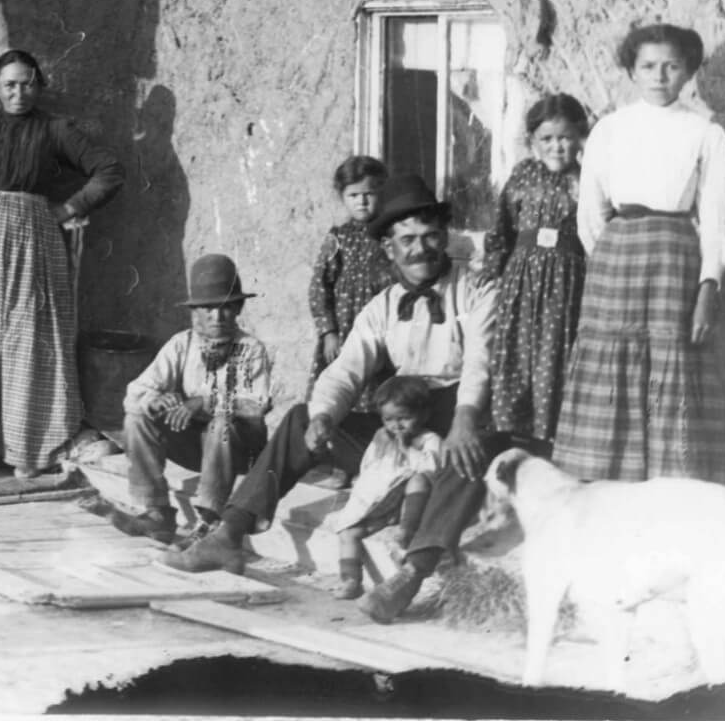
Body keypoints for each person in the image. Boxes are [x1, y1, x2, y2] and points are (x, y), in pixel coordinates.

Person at [163, 174, 501, 625]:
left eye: (430, 236)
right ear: (389, 248)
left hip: (455, 414)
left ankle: (411, 576)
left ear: (445, 237)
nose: (420, 249)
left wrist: (462, 423)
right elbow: (345, 368)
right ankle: (230, 532)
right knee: (302, 415)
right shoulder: (382, 305)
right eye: (407, 240)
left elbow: (480, 362)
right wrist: (324, 417)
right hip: (401, 431)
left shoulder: (477, 290)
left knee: (467, 453)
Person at [0, 49, 125, 479]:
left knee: (28, 338)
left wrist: (68, 208)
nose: (19, 92)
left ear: (39, 85)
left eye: (28, 83)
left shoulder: (54, 130)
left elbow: (108, 169)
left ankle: (27, 449)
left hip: (35, 238)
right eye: (10, 84)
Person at [555, 25, 725, 482]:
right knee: (613, 357)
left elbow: (717, 216)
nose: (660, 76)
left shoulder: (705, 133)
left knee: (673, 357)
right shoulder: (610, 129)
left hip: (675, 258)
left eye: (672, 66)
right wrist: (611, 257)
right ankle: (608, 479)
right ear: (632, 71)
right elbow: (591, 212)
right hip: (618, 255)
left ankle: (670, 482)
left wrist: (709, 283)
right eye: (649, 66)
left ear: (689, 72)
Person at [108, 254, 272, 544]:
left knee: (222, 424)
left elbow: (255, 405)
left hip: (238, 450)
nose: (217, 317)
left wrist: (203, 402)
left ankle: (208, 522)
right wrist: (154, 400)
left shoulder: (250, 349)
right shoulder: (181, 345)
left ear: (237, 309)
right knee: (137, 418)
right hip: (196, 448)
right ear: (194, 312)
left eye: (225, 308)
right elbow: (135, 392)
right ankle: (157, 512)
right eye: (208, 309)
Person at [480, 94, 590, 442]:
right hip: (522, 278)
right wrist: (494, 267)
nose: (557, 146)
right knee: (517, 349)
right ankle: (510, 433)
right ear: (532, 142)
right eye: (547, 139)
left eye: (565, 137)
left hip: (566, 282)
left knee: (553, 352)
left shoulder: (586, 179)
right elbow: (502, 227)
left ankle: (549, 437)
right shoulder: (522, 175)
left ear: (579, 137)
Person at [307, 155, 394, 486]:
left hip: (379, 335)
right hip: (343, 335)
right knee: (341, 398)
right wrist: (328, 331)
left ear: (381, 193)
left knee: (377, 401)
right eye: (353, 195)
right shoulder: (338, 238)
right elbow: (319, 286)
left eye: (369, 193)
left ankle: (373, 464)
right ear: (342, 197)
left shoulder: (389, 235)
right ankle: (342, 467)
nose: (362, 201)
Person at [328, 376, 442, 601]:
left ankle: (406, 530)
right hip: (381, 503)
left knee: (418, 480)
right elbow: (369, 466)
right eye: (388, 419)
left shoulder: (429, 439)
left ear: (423, 415)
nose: (396, 426)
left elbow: (431, 471)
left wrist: (407, 449)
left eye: (404, 418)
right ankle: (350, 579)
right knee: (349, 533)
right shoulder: (381, 437)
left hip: (407, 503)